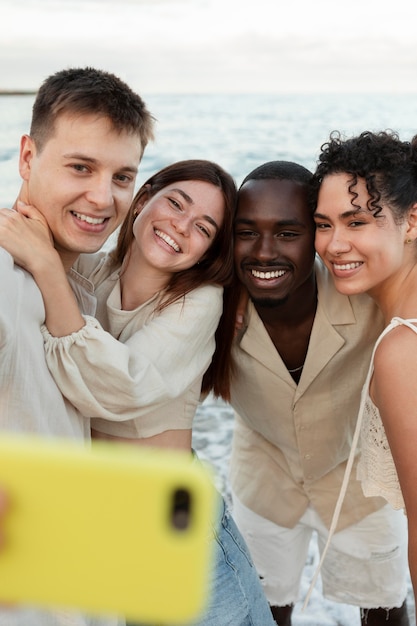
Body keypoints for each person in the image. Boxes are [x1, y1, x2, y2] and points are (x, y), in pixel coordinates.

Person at [1, 160, 275, 626]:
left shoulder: (198, 301)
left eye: (203, 228)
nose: (180, 226)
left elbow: (121, 386)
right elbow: (39, 222)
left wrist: (46, 267)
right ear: (144, 197)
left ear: (210, 250)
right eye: (175, 203)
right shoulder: (93, 274)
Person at [212, 160, 409, 625]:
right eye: (247, 232)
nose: (263, 252)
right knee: (260, 609)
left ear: (317, 236)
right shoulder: (213, 300)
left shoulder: (369, 294)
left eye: (288, 232)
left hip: (358, 478)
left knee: (384, 606)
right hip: (265, 476)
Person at [0, 65, 155, 626]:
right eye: (80, 167)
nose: (102, 196)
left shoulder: (76, 290)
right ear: (26, 157)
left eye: (121, 177)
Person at [312, 130, 417, 608]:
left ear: (411, 221)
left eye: (356, 222)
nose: (334, 245)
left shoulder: (403, 350)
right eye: (323, 224)